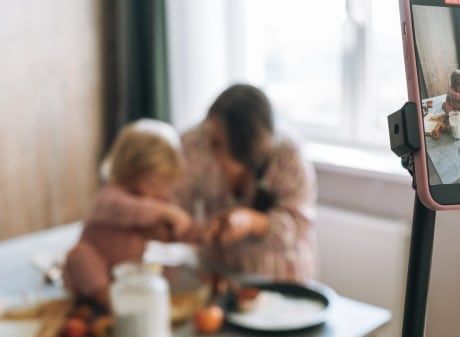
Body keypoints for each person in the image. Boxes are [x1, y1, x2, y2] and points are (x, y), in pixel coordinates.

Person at [176, 84, 317, 282]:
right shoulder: (193, 144)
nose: (219, 157)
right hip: (217, 272)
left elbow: (299, 226)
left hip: (279, 276)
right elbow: (175, 206)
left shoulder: (287, 155)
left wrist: (252, 222)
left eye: (226, 148)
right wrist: (197, 231)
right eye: (215, 142)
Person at [63, 120, 195, 308]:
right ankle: (107, 299)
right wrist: (165, 211)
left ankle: (126, 297)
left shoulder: (150, 198)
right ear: (131, 171)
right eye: (154, 183)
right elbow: (132, 211)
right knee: (81, 257)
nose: (159, 191)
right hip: (97, 270)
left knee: (160, 268)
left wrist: (178, 220)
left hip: (126, 271)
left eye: (164, 184)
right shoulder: (110, 197)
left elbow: (164, 214)